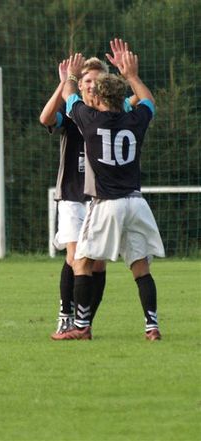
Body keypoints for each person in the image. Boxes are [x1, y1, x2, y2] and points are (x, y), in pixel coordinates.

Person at [52, 50, 165, 340]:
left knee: (82, 262)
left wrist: (73, 76)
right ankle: (152, 327)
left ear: (99, 97)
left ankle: (80, 326)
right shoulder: (135, 119)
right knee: (140, 267)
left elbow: (69, 95)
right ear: (122, 99)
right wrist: (132, 75)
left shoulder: (89, 120)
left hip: (106, 205)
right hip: (137, 204)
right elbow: (149, 101)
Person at [40, 57, 113, 335]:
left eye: (97, 81)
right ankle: (65, 315)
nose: (92, 85)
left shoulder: (111, 115)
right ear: (79, 86)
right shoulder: (72, 116)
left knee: (98, 262)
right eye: (86, 81)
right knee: (74, 258)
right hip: (72, 195)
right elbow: (45, 118)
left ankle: (85, 322)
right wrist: (63, 83)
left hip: (103, 198)